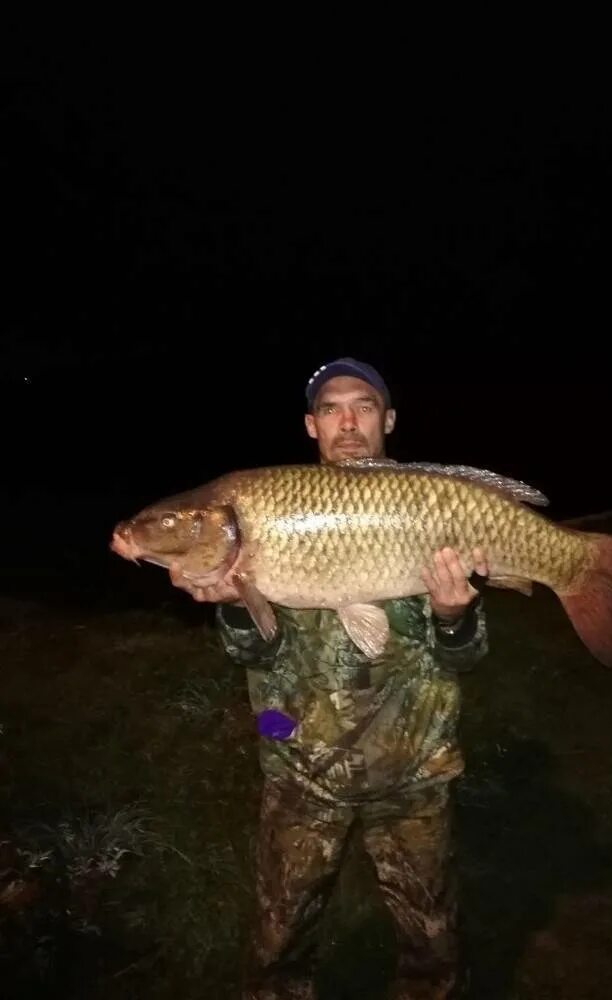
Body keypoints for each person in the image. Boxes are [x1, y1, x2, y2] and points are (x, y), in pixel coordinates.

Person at [173, 357, 490, 1000]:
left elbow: (466, 657)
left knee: (433, 942)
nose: (348, 422)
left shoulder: (431, 505)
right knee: (277, 940)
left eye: (364, 406)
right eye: (331, 409)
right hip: (299, 767)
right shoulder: (266, 511)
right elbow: (253, 656)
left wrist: (456, 615)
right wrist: (236, 603)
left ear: (389, 419)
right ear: (311, 426)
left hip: (415, 770)